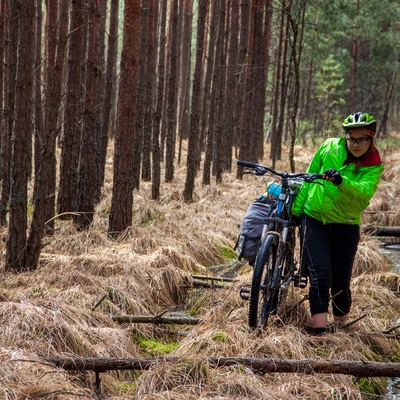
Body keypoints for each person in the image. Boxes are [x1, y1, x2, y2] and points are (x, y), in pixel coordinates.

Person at [292, 112, 384, 336]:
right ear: (345, 137)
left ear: (371, 139)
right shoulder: (329, 147)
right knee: (320, 276)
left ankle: (341, 328)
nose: (356, 144)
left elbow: (363, 194)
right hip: (315, 217)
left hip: (346, 223)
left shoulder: (374, 165)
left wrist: (342, 181)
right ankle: (320, 333)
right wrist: (297, 211)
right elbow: (309, 177)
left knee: (341, 281)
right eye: (351, 138)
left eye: (361, 139)